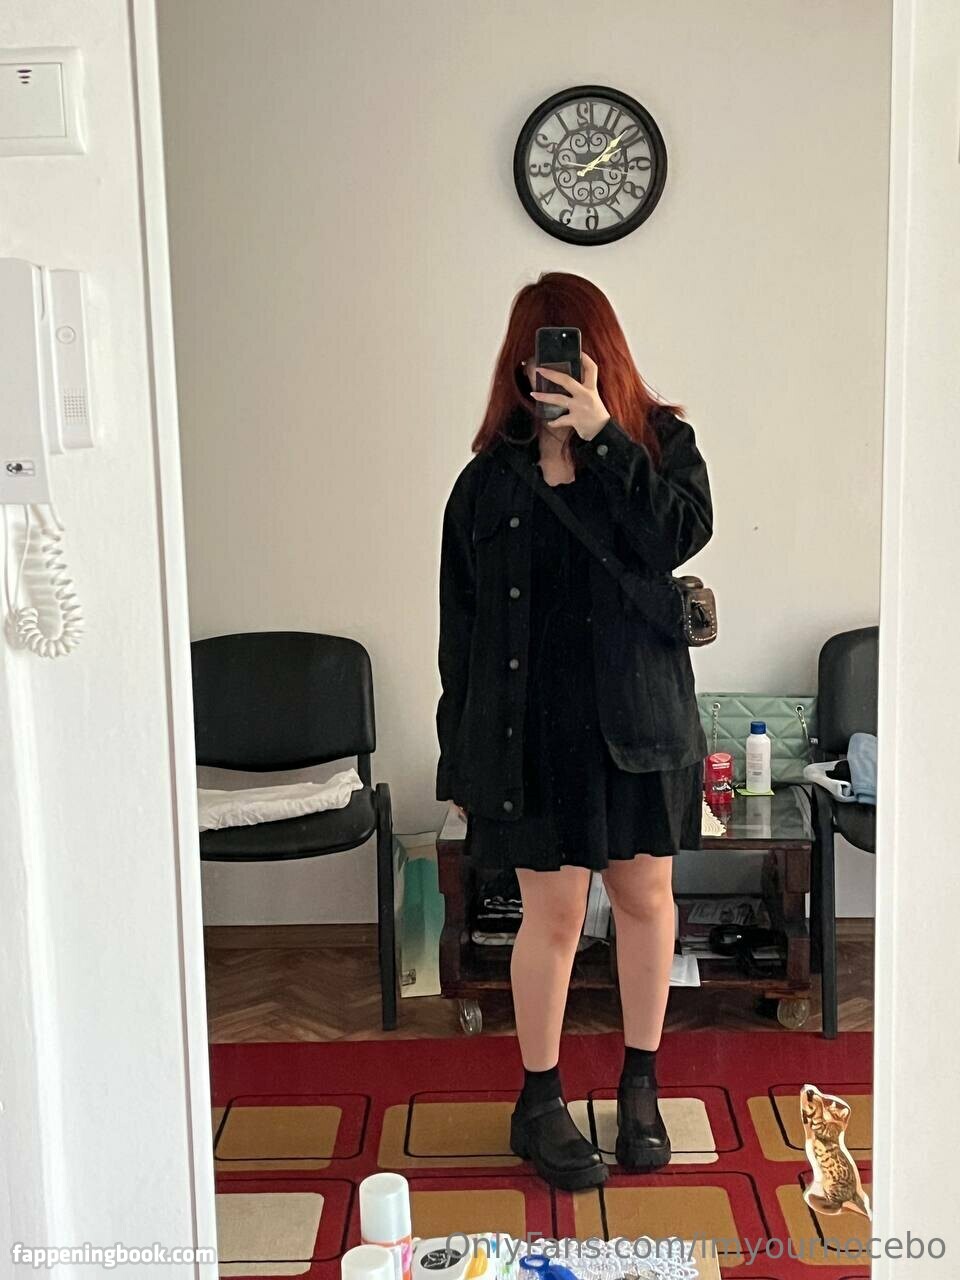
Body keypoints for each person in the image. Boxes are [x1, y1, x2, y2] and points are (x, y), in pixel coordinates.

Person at [435, 271, 713, 1190]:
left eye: (570, 350)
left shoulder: (659, 444)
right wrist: (460, 758)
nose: (551, 369)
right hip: (531, 738)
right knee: (551, 920)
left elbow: (677, 535)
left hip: (639, 726)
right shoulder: (486, 483)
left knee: (646, 902)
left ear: (603, 354)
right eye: (538, 353)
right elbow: (462, 636)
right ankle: (540, 1100)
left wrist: (603, 435)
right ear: (516, 364)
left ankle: (641, 1084)